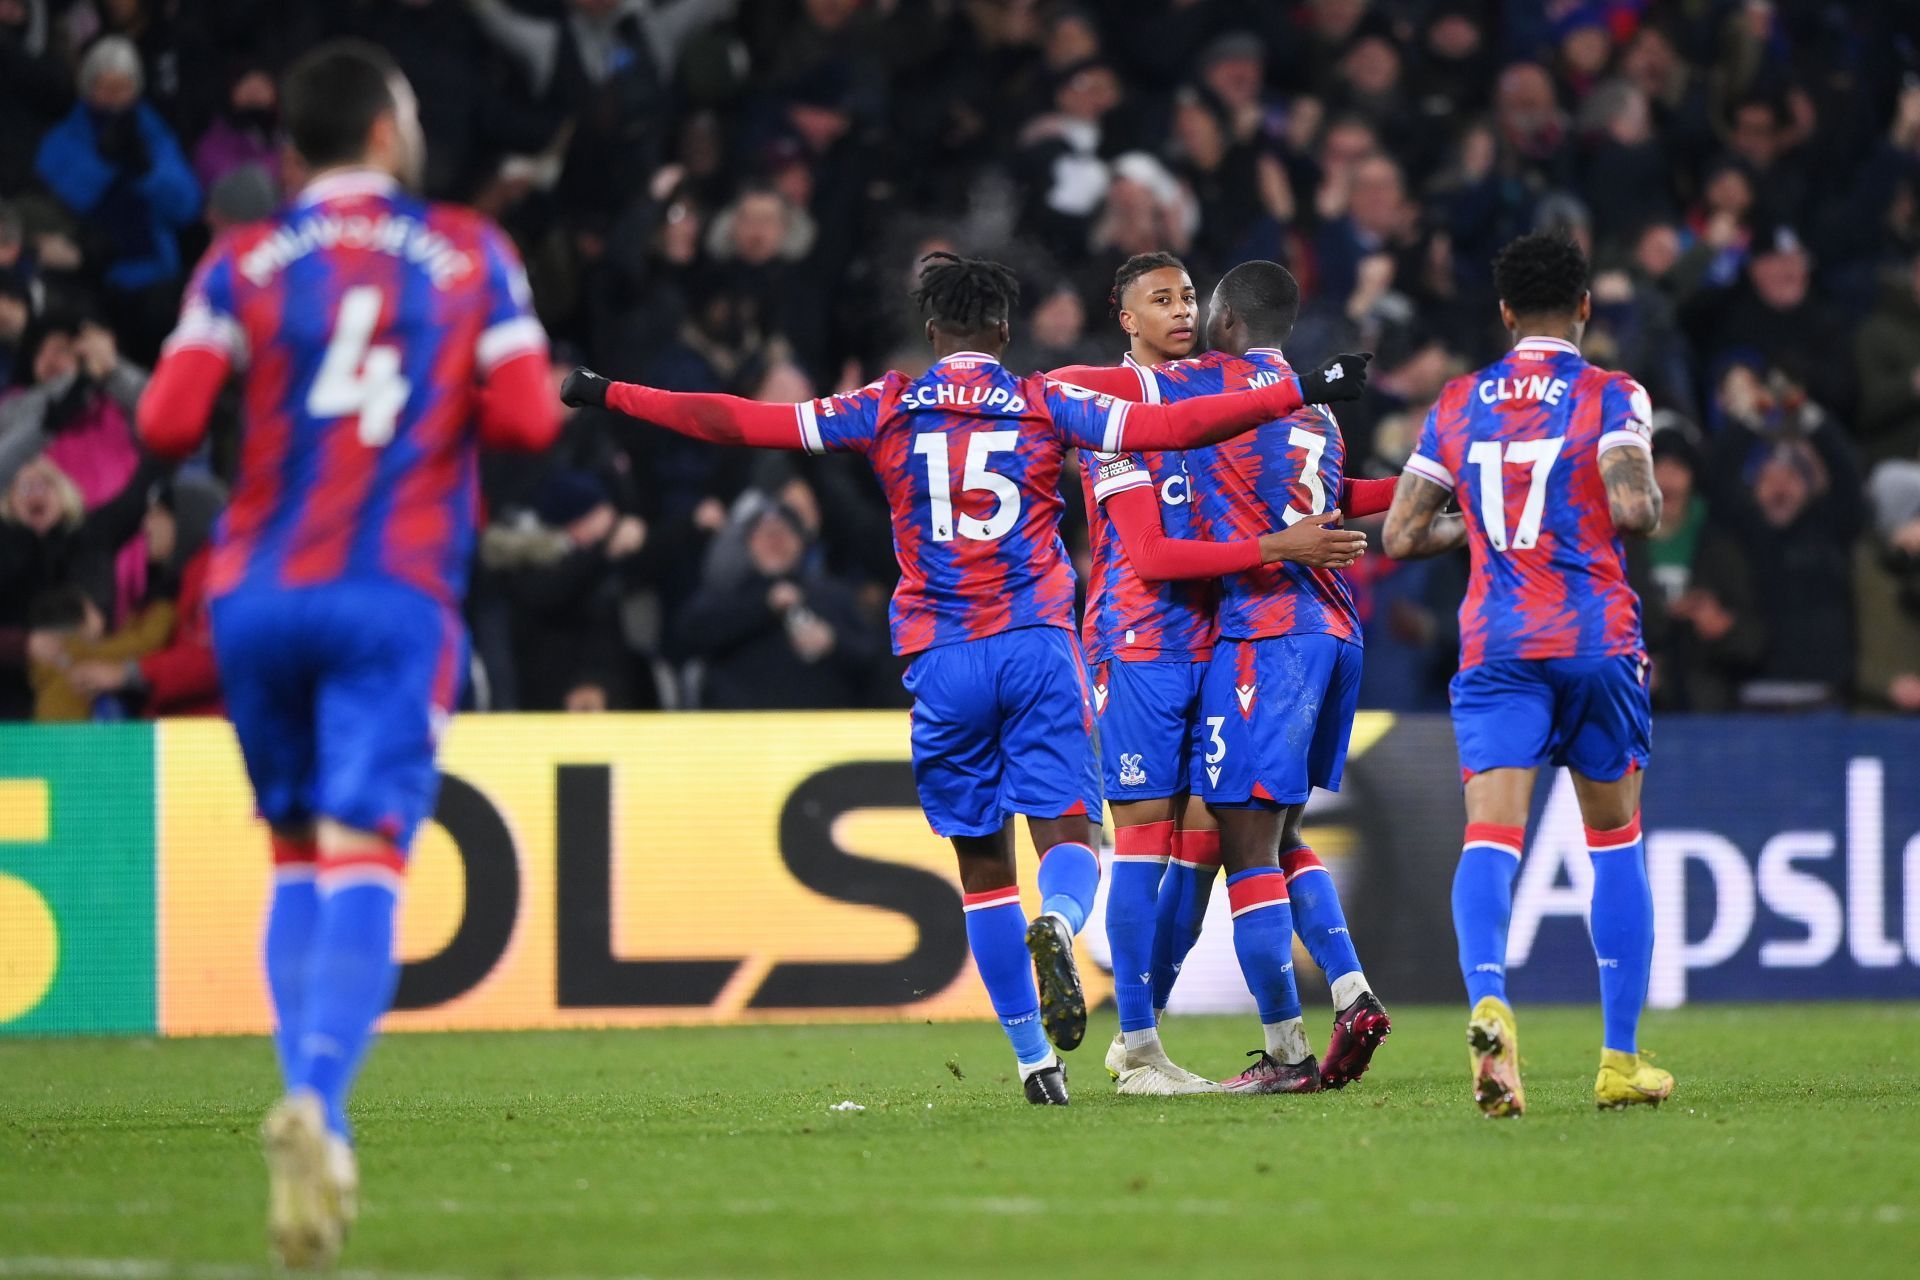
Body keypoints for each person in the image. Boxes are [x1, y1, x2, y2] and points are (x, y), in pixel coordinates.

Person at [562, 250, 1372, 1104]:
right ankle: (1059, 924)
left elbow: (736, 420)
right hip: (1036, 644)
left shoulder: (885, 403)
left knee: (982, 869)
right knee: (1077, 842)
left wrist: (611, 393)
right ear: (1004, 331)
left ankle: (1034, 1062)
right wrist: (1303, 386)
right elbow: (1172, 429)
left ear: (931, 331)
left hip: (940, 655)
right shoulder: (1041, 400)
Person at [133, 40, 559, 1267]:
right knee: (365, 850)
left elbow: (164, 422)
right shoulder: (473, 249)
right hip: (393, 589)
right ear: (384, 131)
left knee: (292, 850)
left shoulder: (241, 256)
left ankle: (310, 1103)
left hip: (253, 592)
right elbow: (529, 418)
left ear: (291, 150)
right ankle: (318, 1100)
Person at [1047, 251, 1381, 1096]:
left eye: (1190, 295)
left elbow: (1310, 486)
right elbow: (1154, 554)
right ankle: (1142, 1044)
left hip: (1225, 641)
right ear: (1126, 318)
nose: (1182, 310)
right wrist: (1278, 545)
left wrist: (1425, 487)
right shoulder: (1116, 410)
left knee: (1231, 844)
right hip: (1141, 640)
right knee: (1156, 846)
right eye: (1160, 300)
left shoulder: (1218, 394)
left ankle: (1178, 1030)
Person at [1382, 231, 1673, 1118]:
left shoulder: (1461, 402)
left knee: (1490, 838)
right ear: (1584, 308)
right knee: (1613, 840)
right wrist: (1626, 496)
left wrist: (1485, 523)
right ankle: (1618, 1061)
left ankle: (1488, 1001)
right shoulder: (1613, 394)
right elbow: (1635, 508)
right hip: (1592, 640)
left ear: (1504, 313)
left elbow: (1399, 536)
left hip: (1499, 645)